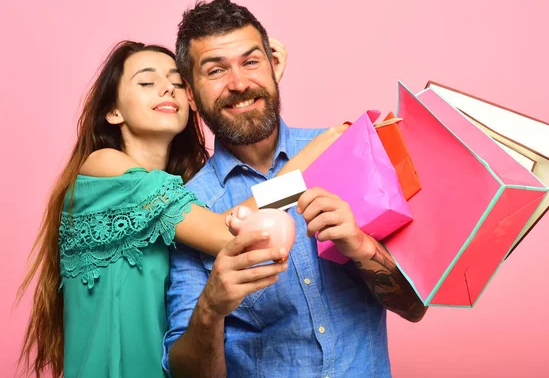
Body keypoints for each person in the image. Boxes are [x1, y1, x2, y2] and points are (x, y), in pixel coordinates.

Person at [16, 39, 344, 378]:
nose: (167, 90)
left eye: (177, 84)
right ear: (113, 112)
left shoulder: (188, 193)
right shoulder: (105, 166)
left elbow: (235, 213)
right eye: (147, 82)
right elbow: (224, 232)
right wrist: (311, 160)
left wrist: (255, 87)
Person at [164, 0, 428, 378]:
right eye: (216, 71)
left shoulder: (348, 147)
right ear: (190, 91)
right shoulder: (191, 211)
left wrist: (360, 245)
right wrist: (210, 308)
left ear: (274, 65)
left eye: (251, 62)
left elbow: (414, 307)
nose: (239, 83)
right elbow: (184, 372)